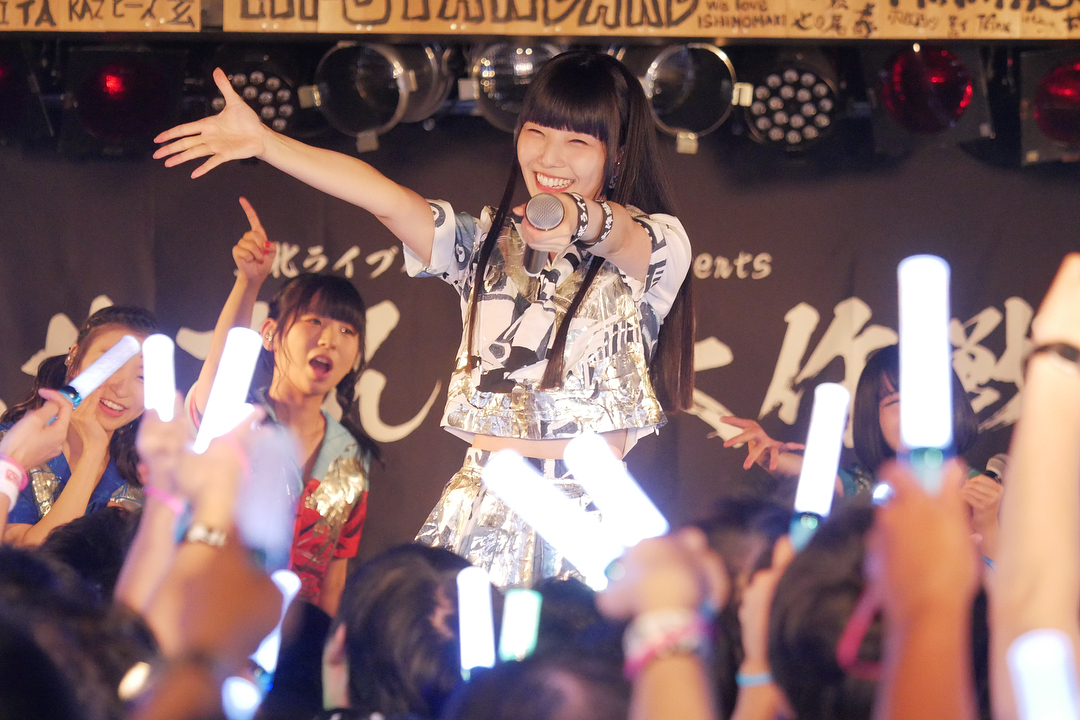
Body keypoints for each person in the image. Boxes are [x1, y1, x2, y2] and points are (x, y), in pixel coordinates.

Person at [154, 49, 695, 588]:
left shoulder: (656, 246)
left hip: (590, 510)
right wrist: (267, 143)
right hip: (483, 499)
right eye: (536, 133)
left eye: (577, 142)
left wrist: (576, 215)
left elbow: (620, 234)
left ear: (617, 154)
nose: (549, 157)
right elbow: (385, 200)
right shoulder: (484, 244)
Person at [185, 209, 378, 615]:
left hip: (298, 635)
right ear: (270, 334)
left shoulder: (351, 453)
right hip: (213, 622)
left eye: (347, 330)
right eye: (314, 321)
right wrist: (249, 281)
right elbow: (222, 367)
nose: (330, 340)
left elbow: (334, 579)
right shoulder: (235, 419)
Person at [722, 344, 1003, 559]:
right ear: (874, 418)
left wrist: (987, 523)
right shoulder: (869, 483)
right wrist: (770, 456)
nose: (913, 413)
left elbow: (1008, 585)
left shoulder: (985, 491)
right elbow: (819, 477)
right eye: (895, 401)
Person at [2, 306, 158, 547]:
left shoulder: (149, 470)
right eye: (110, 365)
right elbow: (35, 554)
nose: (121, 389)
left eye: (143, 377)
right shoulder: (12, 447)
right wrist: (93, 451)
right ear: (74, 359)